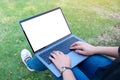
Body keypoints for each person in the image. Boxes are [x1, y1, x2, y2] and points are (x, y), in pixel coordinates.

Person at [21, 41, 120, 80]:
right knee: (73, 49)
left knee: (54, 55)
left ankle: (30, 64)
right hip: (110, 70)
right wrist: (95, 49)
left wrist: (65, 68)